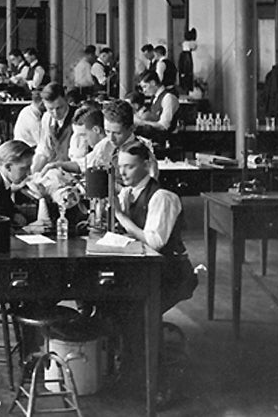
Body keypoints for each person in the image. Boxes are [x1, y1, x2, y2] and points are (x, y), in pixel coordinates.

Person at [113, 144, 197, 312]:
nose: (122, 173)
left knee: (116, 299)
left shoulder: (162, 197)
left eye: (129, 167)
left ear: (146, 165)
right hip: (144, 266)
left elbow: (155, 242)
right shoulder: (128, 192)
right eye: (120, 166)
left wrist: (121, 216)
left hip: (169, 272)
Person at [83, 100, 158, 179]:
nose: (111, 138)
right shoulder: (105, 144)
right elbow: (83, 164)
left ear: (131, 129)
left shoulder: (144, 152)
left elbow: (147, 187)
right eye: (107, 131)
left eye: (117, 133)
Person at [31, 82, 76, 174]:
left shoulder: (77, 118)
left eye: (59, 108)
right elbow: (44, 151)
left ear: (66, 99)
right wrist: (33, 173)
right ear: (44, 103)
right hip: (54, 171)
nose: (55, 113)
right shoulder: (47, 118)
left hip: (73, 171)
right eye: (50, 109)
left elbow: (78, 158)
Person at [136, 70, 179, 136]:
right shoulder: (154, 97)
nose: (144, 91)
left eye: (145, 86)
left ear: (153, 83)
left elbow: (164, 126)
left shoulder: (168, 98)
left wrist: (141, 122)